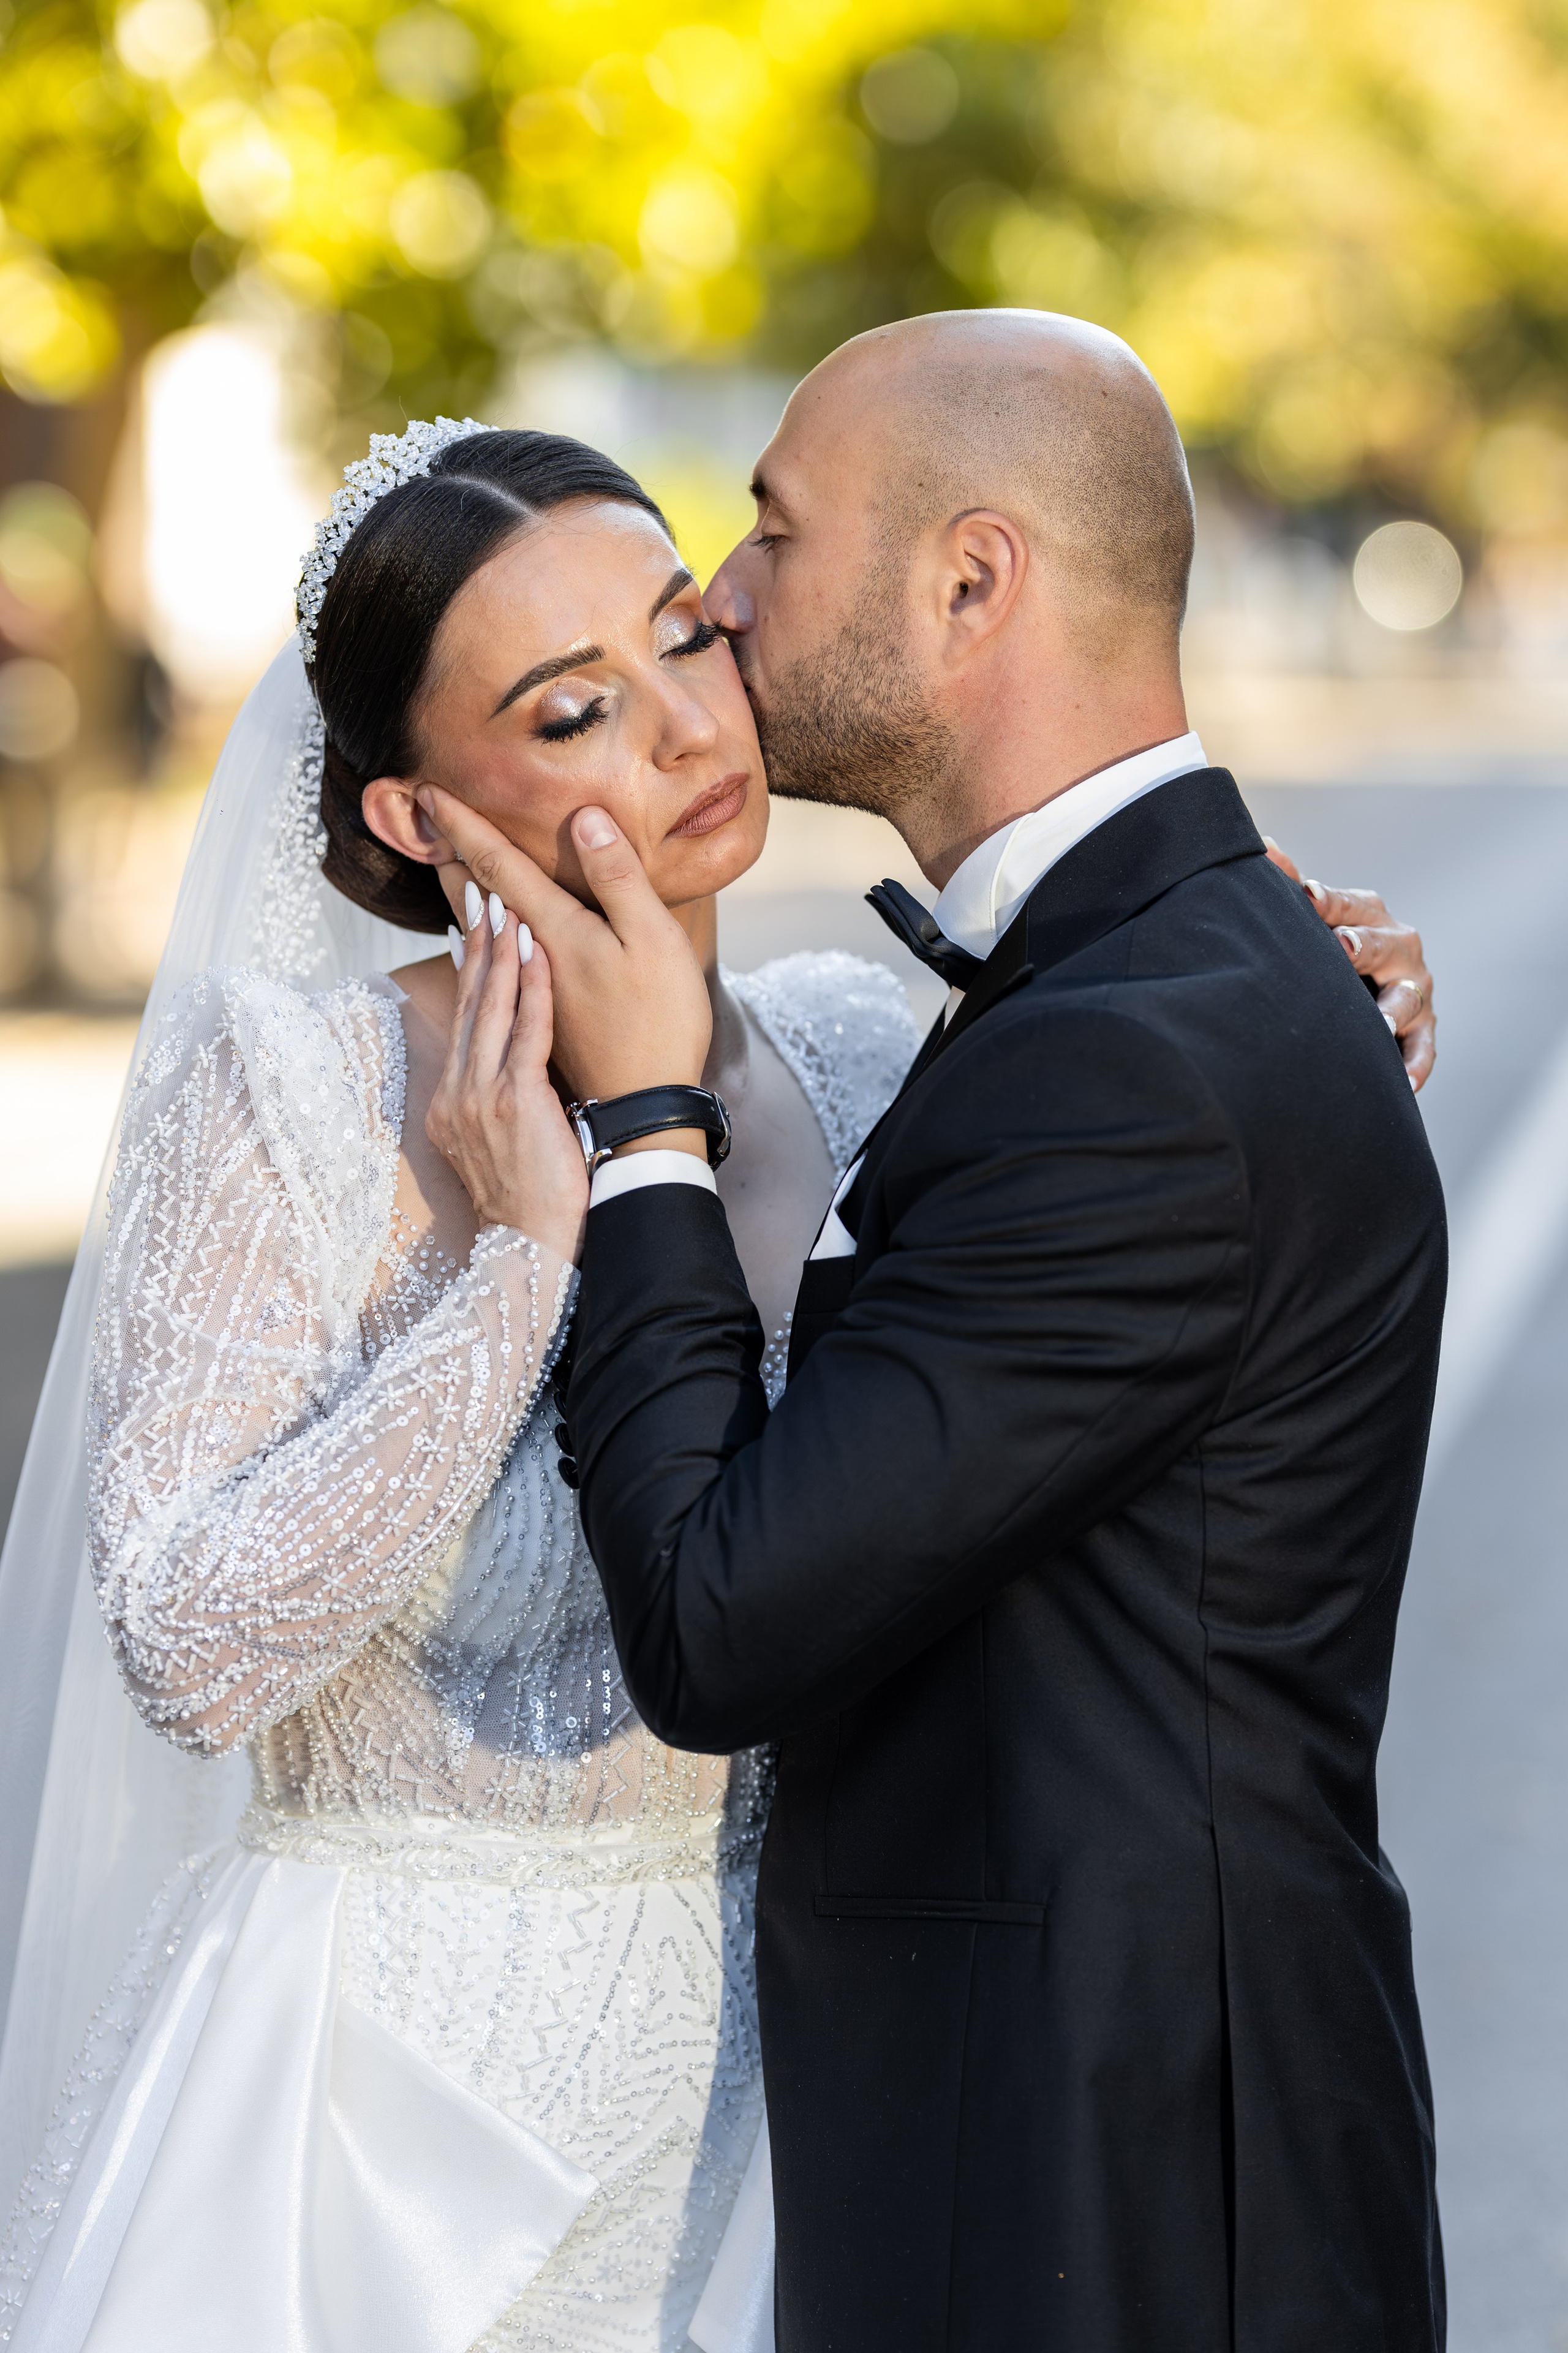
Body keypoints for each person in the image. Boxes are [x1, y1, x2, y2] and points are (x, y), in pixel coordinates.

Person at [0, 407, 1432, 2352]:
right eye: (570, 711)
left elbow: (1053, 1304)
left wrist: (1305, 1019)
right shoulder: (295, 1095)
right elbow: (187, 1640)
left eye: (684, 633)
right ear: (419, 813)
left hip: (790, 2099)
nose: (684, 727)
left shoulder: (855, 1055)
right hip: (391, 2127)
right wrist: (522, 1272)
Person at [421, 314, 1449, 2352]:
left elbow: (718, 1621)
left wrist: (644, 1130)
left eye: (774, 533)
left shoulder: (1145, 1045)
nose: (722, 600)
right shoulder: (1160, 981)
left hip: (1121, 2204)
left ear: (971, 581)